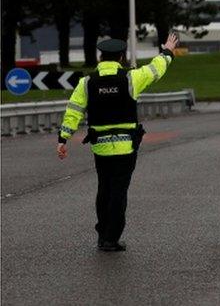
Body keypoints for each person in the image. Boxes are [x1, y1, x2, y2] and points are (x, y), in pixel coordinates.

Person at [56, 33, 179, 252]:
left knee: (104, 189)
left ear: (100, 58)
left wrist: (63, 139)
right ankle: (111, 239)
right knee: (118, 192)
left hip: (100, 147)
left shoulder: (87, 83)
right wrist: (168, 51)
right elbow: (156, 69)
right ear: (121, 57)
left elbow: (73, 111)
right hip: (126, 148)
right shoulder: (131, 79)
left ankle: (102, 234)